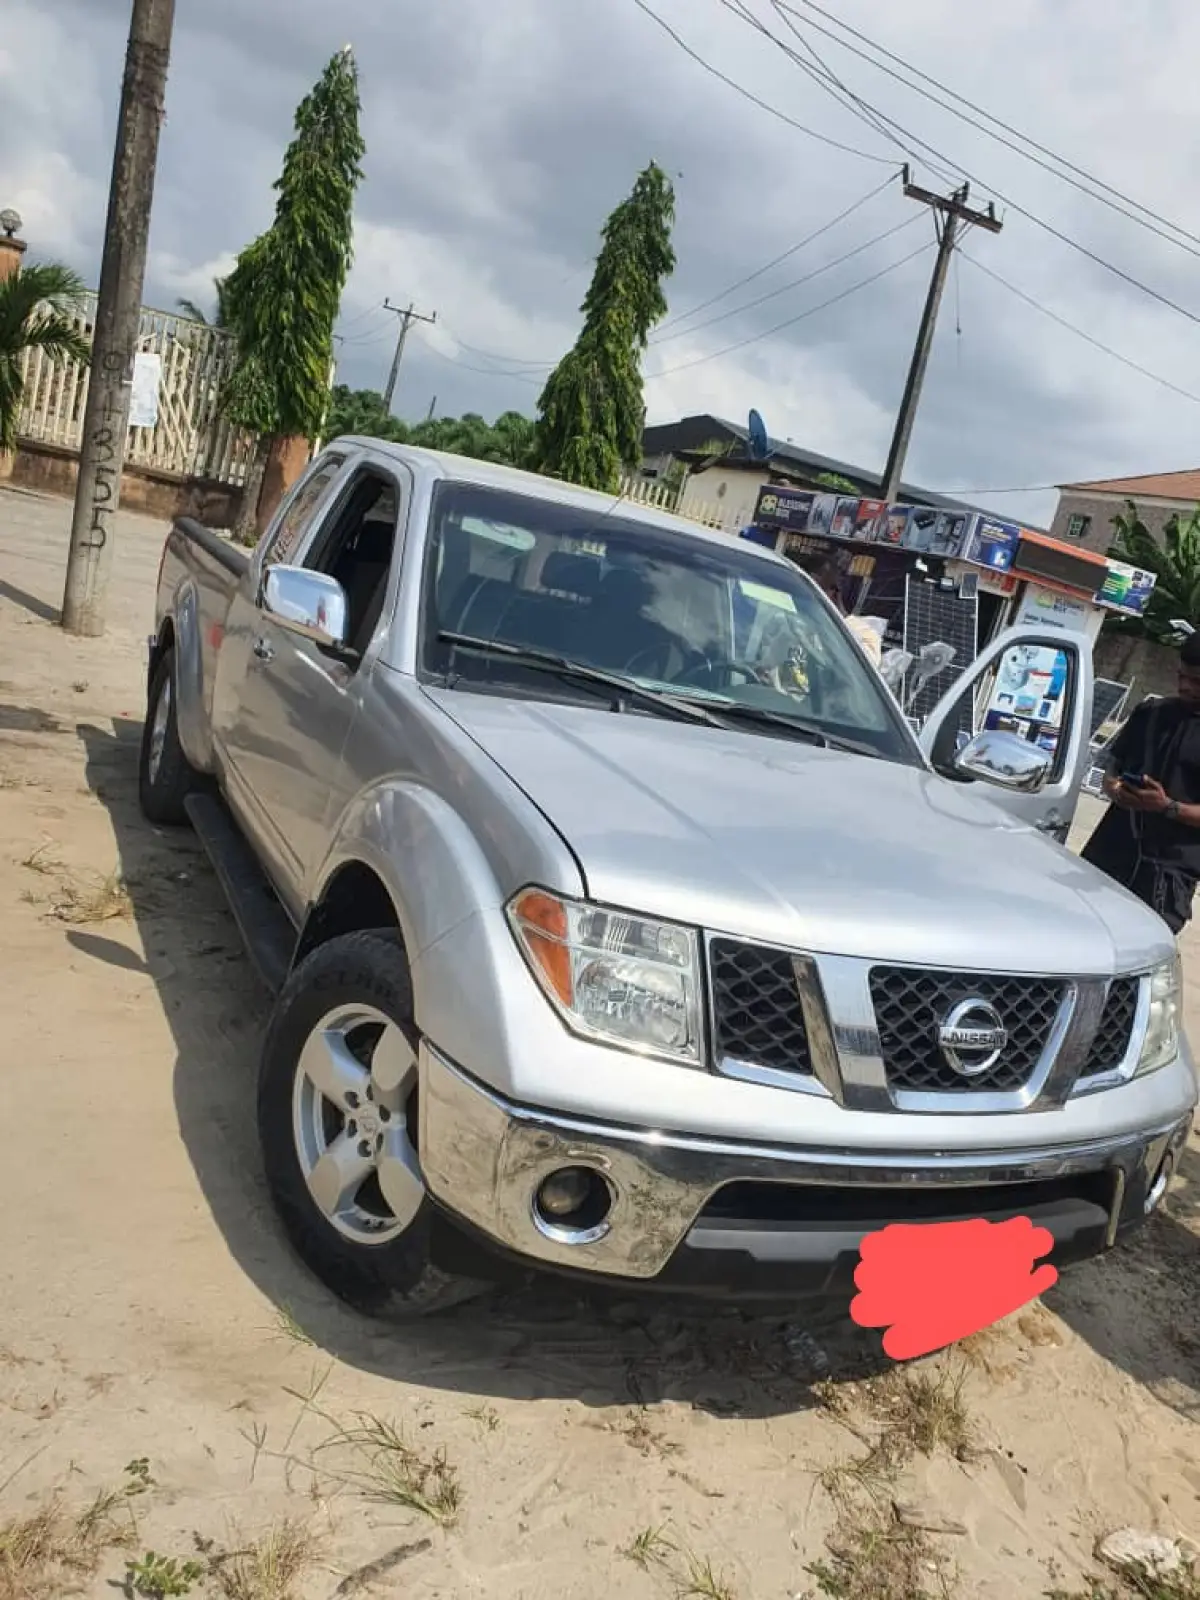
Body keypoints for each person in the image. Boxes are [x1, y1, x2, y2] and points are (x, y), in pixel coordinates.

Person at [1081, 633, 1200, 933]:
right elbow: (1113, 766)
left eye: (1197, 681)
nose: (1186, 686)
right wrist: (1114, 788)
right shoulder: (1151, 713)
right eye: (1182, 676)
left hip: (1165, 878)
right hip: (1107, 856)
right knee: (1074, 936)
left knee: (1140, 953)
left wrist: (1168, 807)